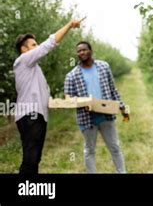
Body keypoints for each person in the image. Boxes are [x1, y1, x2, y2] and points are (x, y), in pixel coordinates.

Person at [14, 18, 83, 174]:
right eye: (33, 45)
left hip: (37, 115)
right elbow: (49, 44)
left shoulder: (33, 68)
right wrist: (69, 25)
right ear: (24, 49)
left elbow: (40, 92)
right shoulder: (24, 60)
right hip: (31, 115)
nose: (37, 47)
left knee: (34, 158)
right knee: (31, 158)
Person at [64, 41, 129, 173]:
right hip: (87, 118)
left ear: (91, 51)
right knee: (89, 150)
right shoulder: (72, 75)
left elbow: (113, 90)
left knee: (115, 147)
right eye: (79, 51)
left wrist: (122, 108)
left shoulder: (104, 67)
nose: (81, 53)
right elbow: (68, 100)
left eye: (84, 50)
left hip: (106, 115)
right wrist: (84, 102)